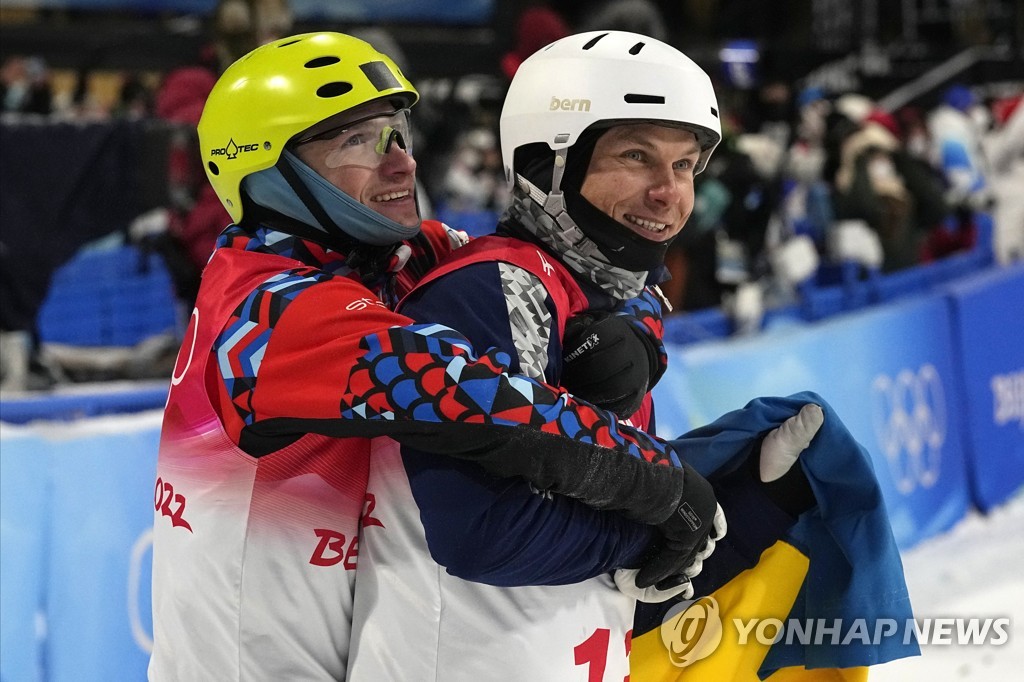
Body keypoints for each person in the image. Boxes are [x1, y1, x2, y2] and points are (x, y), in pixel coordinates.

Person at [148, 31, 729, 681]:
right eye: (356, 142)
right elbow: (489, 403)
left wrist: (639, 329)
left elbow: (582, 261)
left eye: (397, 133)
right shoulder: (268, 313)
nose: (401, 164)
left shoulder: (385, 255)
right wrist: (662, 488)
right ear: (270, 174)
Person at [346, 31, 825, 681]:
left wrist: (736, 506)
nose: (669, 192)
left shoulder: (598, 299)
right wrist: (656, 528)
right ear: (550, 163)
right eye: (637, 155)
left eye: (685, 166)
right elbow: (482, 531)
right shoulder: (494, 289)